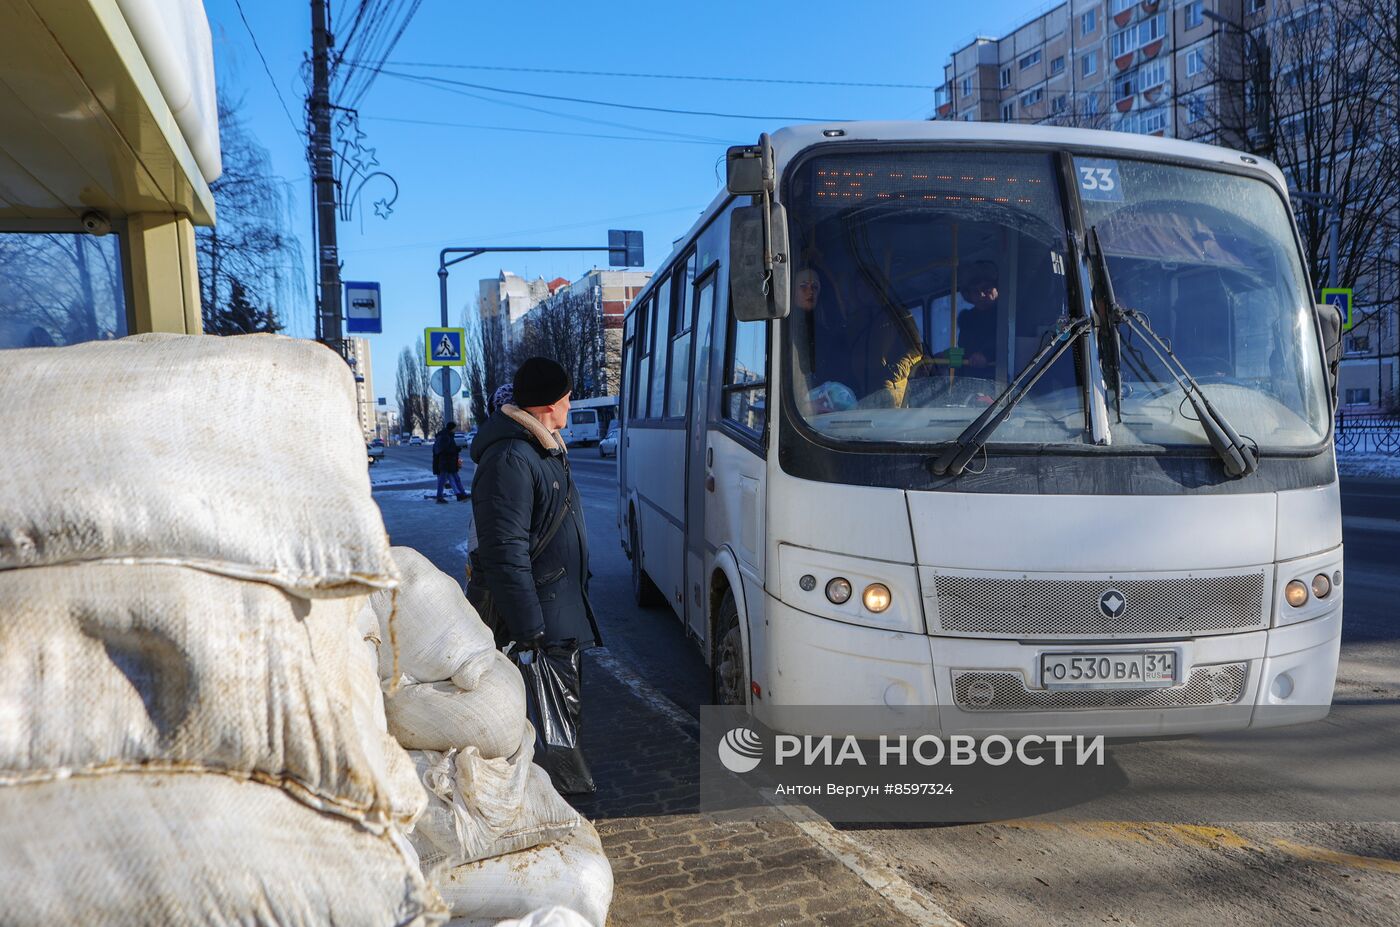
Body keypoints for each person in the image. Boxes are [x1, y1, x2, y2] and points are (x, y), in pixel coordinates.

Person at [467, 356, 601, 794]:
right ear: (548, 405)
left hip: (556, 610)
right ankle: (550, 802)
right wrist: (529, 630)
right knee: (542, 728)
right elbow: (505, 552)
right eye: (566, 398)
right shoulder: (511, 457)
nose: (570, 405)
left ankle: (558, 798)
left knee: (562, 719)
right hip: (540, 621)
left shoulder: (541, 446)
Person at [792, 266, 923, 408]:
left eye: (867, 284)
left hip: (891, 391)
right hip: (863, 394)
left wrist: (893, 373)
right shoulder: (855, 321)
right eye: (859, 286)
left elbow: (915, 349)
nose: (863, 290)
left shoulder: (897, 314)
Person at [955, 261, 1001, 381]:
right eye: (975, 291)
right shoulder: (967, 321)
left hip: (1000, 381)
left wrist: (987, 356)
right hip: (971, 383)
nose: (981, 295)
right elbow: (963, 352)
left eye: (986, 289)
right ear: (968, 295)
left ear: (997, 289)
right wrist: (944, 358)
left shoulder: (1006, 316)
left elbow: (1007, 344)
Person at [431, 421, 468, 504]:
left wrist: (455, 449)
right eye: (455, 428)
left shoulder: (446, 436)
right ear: (452, 428)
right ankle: (440, 497)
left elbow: (446, 448)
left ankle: (460, 494)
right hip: (445, 462)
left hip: (449, 462)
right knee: (443, 480)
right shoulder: (445, 436)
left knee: (454, 479)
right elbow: (442, 450)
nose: (456, 430)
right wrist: (455, 450)